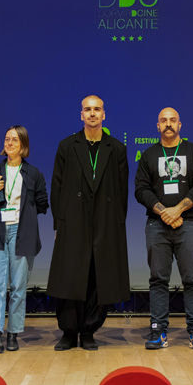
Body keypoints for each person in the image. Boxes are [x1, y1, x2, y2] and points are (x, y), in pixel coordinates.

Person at [47, 95, 130, 350]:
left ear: (104, 114)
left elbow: (122, 191)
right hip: (73, 220)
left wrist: (117, 223)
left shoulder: (117, 148)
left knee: (98, 276)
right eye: (87, 109)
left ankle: (89, 330)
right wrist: (59, 223)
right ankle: (69, 332)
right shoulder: (67, 145)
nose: (92, 113)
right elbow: (57, 187)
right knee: (70, 276)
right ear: (81, 114)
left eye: (97, 109)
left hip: (105, 222)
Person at [134, 107, 193, 350]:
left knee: (192, 279)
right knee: (158, 279)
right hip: (156, 225)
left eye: (173, 120)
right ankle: (158, 330)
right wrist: (164, 212)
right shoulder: (148, 154)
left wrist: (178, 210)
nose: (168, 124)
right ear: (157, 126)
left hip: (188, 223)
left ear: (180, 125)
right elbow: (141, 189)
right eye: (163, 120)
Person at [0, 125, 49, 354]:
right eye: (7, 139)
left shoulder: (33, 173)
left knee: (17, 286)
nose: (10, 143)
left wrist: (27, 211)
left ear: (23, 145)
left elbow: (43, 204)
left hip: (22, 233)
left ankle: (13, 333)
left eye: (15, 140)